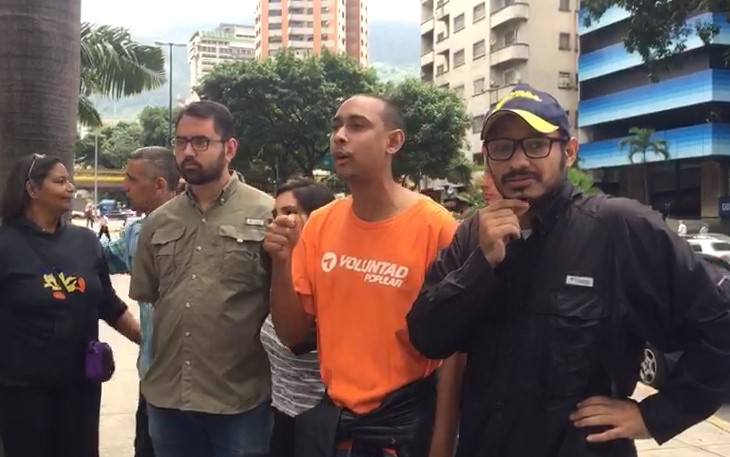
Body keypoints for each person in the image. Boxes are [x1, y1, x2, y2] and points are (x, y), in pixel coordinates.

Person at [406, 84, 730, 457]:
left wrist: (654, 415)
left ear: (569, 151)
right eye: (502, 148)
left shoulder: (618, 227)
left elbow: (719, 327)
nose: (517, 161)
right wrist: (483, 264)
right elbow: (426, 336)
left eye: (536, 144)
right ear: (487, 159)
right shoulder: (473, 235)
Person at [264, 94, 463, 457]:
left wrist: (442, 444)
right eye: (336, 126)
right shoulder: (321, 224)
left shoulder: (437, 228)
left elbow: (455, 353)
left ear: (393, 141)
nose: (340, 136)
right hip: (333, 429)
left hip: (404, 431)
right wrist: (281, 262)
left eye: (356, 126)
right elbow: (293, 334)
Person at [129, 101, 274, 457]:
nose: (188, 152)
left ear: (230, 148)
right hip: (168, 399)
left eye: (200, 142)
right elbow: (148, 296)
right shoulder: (158, 223)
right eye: (180, 142)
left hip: (239, 401)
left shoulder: (267, 212)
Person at [0, 154, 141, 457]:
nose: (70, 187)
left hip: (81, 387)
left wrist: (151, 341)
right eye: (60, 181)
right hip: (21, 391)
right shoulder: (4, 243)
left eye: (69, 181)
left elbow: (108, 304)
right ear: (32, 189)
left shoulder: (85, 241)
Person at [102, 147, 180, 457]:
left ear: (160, 185)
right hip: (151, 381)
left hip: (202, 388)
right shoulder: (136, 232)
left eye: (132, 180)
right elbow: (95, 259)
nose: (124, 186)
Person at [260, 178, 334, 457]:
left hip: (321, 429)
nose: (279, 221)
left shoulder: (330, 273)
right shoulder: (277, 269)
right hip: (280, 420)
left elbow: (298, 340)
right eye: (275, 214)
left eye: (290, 212)